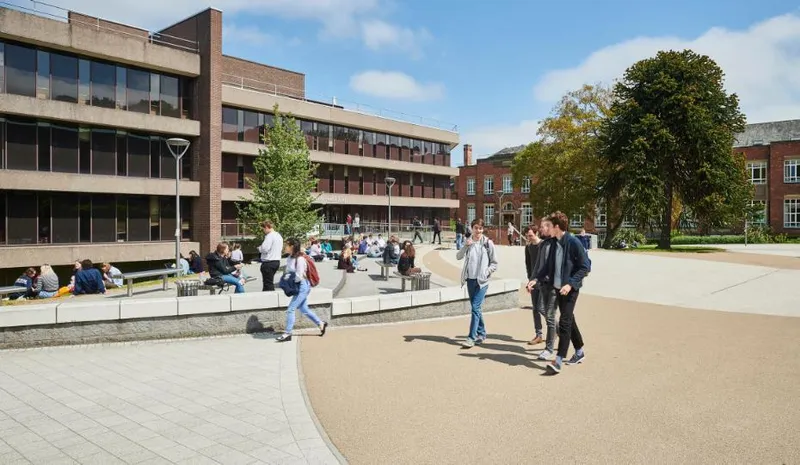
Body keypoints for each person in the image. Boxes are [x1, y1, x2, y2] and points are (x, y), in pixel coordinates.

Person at [535, 211, 591, 375]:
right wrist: (536, 279)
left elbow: (585, 266)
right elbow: (547, 266)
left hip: (570, 290)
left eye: (550, 226)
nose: (547, 229)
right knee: (570, 319)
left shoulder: (573, 242)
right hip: (558, 288)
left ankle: (558, 360)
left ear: (557, 227)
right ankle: (579, 351)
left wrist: (571, 284)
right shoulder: (553, 242)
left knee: (565, 322)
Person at [276, 238, 328, 342]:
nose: (284, 247)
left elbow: (299, 276)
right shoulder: (290, 258)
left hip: (302, 286)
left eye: (286, 245)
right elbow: (288, 272)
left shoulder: (300, 259)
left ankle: (288, 333)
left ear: (292, 247)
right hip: (298, 285)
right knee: (304, 309)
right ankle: (320, 324)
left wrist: (289, 282)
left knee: (291, 309)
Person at [456, 218, 498, 348]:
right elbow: (458, 256)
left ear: (483, 229)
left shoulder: (487, 243)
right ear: (472, 228)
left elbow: (494, 263)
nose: (478, 230)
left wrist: (486, 272)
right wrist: (465, 246)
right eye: (476, 228)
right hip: (470, 280)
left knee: (475, 308)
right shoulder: (468, 241)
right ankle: (482, 333)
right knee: (477, 309)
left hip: (482, 281)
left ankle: (471, 337)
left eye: (480, 228)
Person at [526, 222, 558, 360]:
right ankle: (539, 334)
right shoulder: (528, 247)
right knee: (535, 308)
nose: (529, 238)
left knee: (542, 309)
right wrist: (530, 279)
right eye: (528, 236)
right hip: (534, 280)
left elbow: (545, 265)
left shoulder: (544, 245)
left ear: (536, 233)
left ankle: (558, 330)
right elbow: (529, 265)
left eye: (531, 235)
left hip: (544, 282)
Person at [258, 221, 283, 292]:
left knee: (267, 283)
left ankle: (269, 298)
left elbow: (265, 248)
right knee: (269, 281)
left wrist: (259, 248)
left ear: (266, 227)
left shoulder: (269, 236)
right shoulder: (278, 235)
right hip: (276, 260)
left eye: (263, 229)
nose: (263, 231)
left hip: (268, 261)